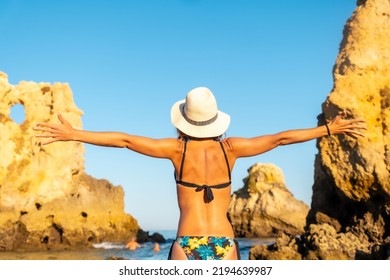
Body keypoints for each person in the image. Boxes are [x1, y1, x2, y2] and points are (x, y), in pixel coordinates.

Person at [34, 87, 367, 260]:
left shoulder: (176, 150)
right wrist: (327, 130)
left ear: (184, 120)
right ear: (215, 120)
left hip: (185, 244)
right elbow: (280, 139)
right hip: (224, 243)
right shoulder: (231, 148)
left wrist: (75, 134)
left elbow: (123, 140)